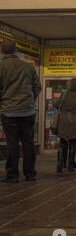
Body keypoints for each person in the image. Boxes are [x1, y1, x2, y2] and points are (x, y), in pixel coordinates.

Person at [0, 39, 41, 183]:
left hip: (9, 111)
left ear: (1, 51)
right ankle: (30, 173)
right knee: (28, 142)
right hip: (27, 111)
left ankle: (12, 174)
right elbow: (37, 87)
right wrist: (29, 99)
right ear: (15, 50)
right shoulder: (28, 67)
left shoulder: (1, 67)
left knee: (12, 143)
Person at [54, 78, 76, 173]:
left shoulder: (64, 94)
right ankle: (70, 165)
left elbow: (56, 105)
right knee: (73, 144)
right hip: (75, 122)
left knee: (62, 143)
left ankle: (60, 164)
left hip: (63, 121)